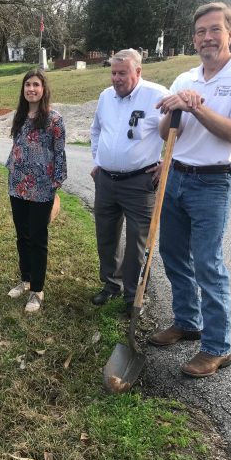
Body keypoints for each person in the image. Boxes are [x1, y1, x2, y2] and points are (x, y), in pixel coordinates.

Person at [151, 2, 231, 377]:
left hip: (213, 181)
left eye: (215, 30)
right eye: (201, 31)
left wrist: (196, 107)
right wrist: (175, 109)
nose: (207, 37)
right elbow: (163, 132)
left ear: (230, 33)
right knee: (172, 254)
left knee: (208, 262)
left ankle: (218, 347)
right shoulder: (185, 78)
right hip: (175, 174)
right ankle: (187, 321)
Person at [89, 49, 168, 315]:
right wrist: (98, 159)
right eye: (113, 72)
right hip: (106, 181)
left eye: (122, 73)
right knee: (106, 236)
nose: (116, 78)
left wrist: (167, 163)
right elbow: (96, 129)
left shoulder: (157, 95)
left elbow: (180, 130)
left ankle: (134, 297)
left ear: (138, 71)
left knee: (137, 242)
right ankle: (111, 285)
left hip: (139, 183)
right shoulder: (105, 97)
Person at [6, 69, 67, 313]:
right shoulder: (19, 116)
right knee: (22, 236)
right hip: (18, 183)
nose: (31, 89)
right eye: (27, 85)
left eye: (36, 85)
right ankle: (26, 279)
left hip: (42, 186)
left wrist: (57, 182)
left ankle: (37, 290)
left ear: (43, 89)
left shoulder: (54, 118)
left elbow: (59, 151)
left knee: (38, 237)